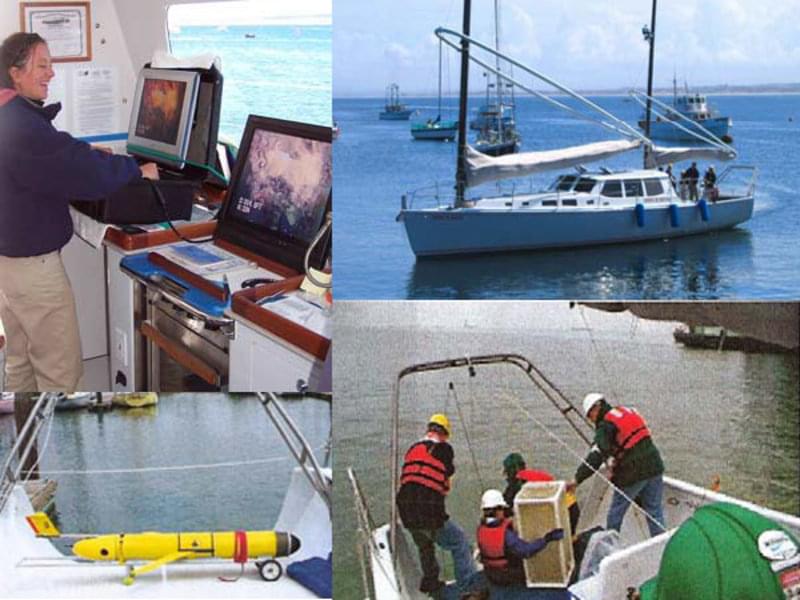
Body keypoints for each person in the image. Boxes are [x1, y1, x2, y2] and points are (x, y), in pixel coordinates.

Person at [0, 33, 158, 391]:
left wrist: (86, 153)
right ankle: (63, 446)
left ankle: (26, 445)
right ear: (15, 73)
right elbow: (77, 171)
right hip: (34, 271)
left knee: (21, 364)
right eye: (43, 65)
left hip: (9, 269)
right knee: (61, 376)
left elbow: (55, 156)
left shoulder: (9, 113)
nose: (51, 73)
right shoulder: (20, 126)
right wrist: (135, 170)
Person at [396, 413, 475, 594]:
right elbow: (445, 482)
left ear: (428, 430)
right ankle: (468, 588)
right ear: (445, 434)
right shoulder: (445, 450)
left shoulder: (413, 448)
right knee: (459, 541)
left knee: (425, 544)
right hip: (428, 510)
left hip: (405, 509)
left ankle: (430, 581)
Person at [569, 393, 665, 537]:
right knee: (654, 512)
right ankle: (661, 545)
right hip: (655, 466)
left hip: (633, 473)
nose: (591, 420)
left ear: (596, 408)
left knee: (615, 514)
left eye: (590, 416)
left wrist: (576, 480)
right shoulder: (627, 410)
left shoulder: (605, 426)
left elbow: (596, 456)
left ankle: (609, 546)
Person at [476, 489, 565, 593]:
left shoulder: (480, 529)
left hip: (490, 574)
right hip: (507, 576)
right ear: (498, 510)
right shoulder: (507, 536)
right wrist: (547, 538)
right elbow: (526, 551)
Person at [501, 452, 580, 534]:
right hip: (570, 508)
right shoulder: (537, 476)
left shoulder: (514, 487)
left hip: (558, 514)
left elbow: (505, 510)